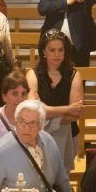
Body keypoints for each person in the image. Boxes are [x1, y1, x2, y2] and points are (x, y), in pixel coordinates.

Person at [26, 29, 84, 172]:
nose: (57, 54)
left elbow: (75, 114)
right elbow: (33, 111)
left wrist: (46, 111)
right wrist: (67, 109)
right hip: (38, 135)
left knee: (62, 181)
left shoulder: (75, 75)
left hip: (69, 136)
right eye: (52, 50)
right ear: (43, 51)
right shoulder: (32, 74)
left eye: (60, 50)